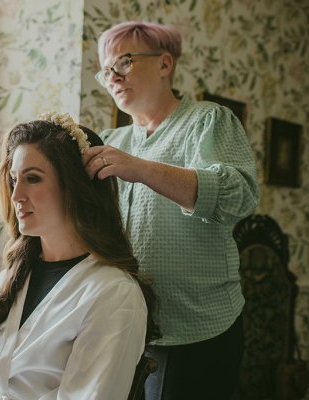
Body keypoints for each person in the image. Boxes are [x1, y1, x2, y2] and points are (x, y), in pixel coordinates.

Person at [83, 21, 259, 400]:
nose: (112, 76)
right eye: (105, 69)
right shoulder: (112, 142)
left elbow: (239, 196)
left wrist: (141, 169)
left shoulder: (208, 121)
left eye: (124, 62)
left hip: (199, 328)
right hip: (127, 328)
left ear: (165, 64)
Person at [0, 113, 160, 399]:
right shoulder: (9, 280)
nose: (17, 194)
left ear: (74, 188)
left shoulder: (114, 294)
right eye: (13, 179)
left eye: (33, 178)